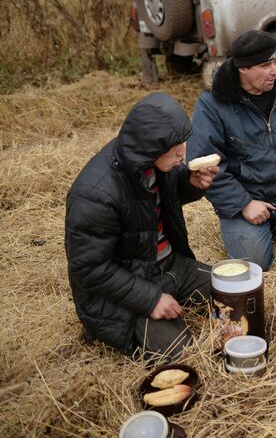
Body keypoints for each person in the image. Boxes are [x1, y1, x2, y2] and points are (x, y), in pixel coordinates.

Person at [65, 93, 219, 363]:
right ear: (150, 147)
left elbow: (155, 202)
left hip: (170, 266)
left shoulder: (155, 161)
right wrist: (150, 300)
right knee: (185, 358)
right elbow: (88, 268)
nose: (182, 153)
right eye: (174, 147)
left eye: (182, 142)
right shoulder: (95, 193)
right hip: (125, 293)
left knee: (238, 291)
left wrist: (192, 184)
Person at [187, 29, 276, 270]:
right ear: (243, 68)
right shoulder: (212, 104)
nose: (275, 71)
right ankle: (248, 230)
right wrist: (243, 204)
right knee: (256, 264)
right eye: (264, 65)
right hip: (245, 200)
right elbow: (204, 163)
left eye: (275, 62)